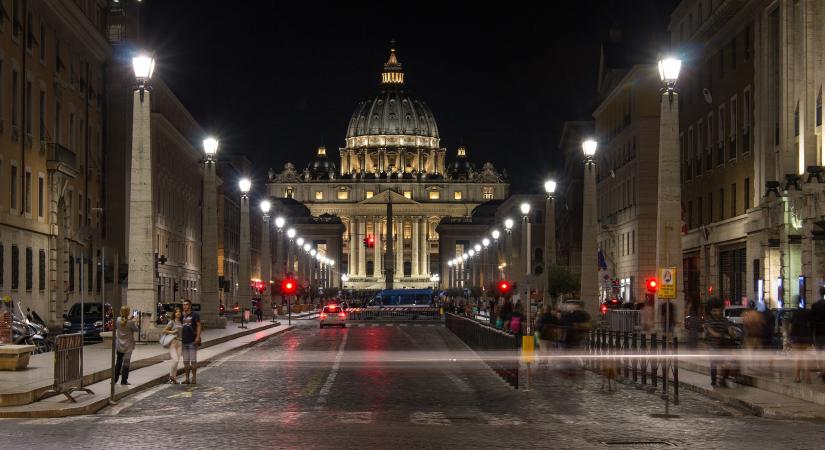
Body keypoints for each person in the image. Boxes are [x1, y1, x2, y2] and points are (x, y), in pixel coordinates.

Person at [704, 299, 737, 387]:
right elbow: (710, 331)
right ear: (711, 311)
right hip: (713, 344)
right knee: (714, 363)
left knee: (727, 362)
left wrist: (732, 332)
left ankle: (724, 379)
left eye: (718, 310)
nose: (716, 312)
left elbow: (729, 329)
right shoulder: (709, 320)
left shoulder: (724, 320)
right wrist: (718, 334)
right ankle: (713, 380)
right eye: (714, 310)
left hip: (723, 344)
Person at [114, 306, 139, 386]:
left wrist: (130, 319)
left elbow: (123, 323)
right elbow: (136, 329)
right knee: (126, 364)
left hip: (119, 346)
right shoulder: (131, 323)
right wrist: (136, 322)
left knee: (118, 363)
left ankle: (114, 380)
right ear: (128, 313)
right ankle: (124, 381)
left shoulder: (117, 320)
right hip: (128, 346)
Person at [181, 299, 202, 384]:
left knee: (193, 361)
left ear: (190, 306)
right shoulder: (181, 316)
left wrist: (197, 337)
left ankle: (194, 378)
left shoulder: (195, 315)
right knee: (186, 362)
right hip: (183, 341)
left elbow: (199, 325)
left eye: (186, 304)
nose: (184, 306)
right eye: (183, 305)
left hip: (192, 341)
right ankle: (187, 379)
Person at [789, 307, 812, 383]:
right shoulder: (807, 322)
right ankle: (808, 377)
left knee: (798, 358)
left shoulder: (794, 321)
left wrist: (789, 339)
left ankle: (797, 377)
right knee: (806, 358)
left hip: (796, 339)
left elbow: (790, 329)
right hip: (806, 338)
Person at [163, 307, 183, 384]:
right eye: (176, 312)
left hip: (180, 342)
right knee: (175, 360)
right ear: (174, 313)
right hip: (173, 342)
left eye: (179, 312)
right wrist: (173, 331)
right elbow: (164, 330)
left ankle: (174, 378)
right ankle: (171, 377)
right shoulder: (172, 322)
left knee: (177, 361)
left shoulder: (182, 322)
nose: (178, 313)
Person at [811, 293, 825, 381]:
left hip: (818, 332)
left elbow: (812, 320)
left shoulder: (815, 306)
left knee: (819, 352)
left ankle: (822, 371)